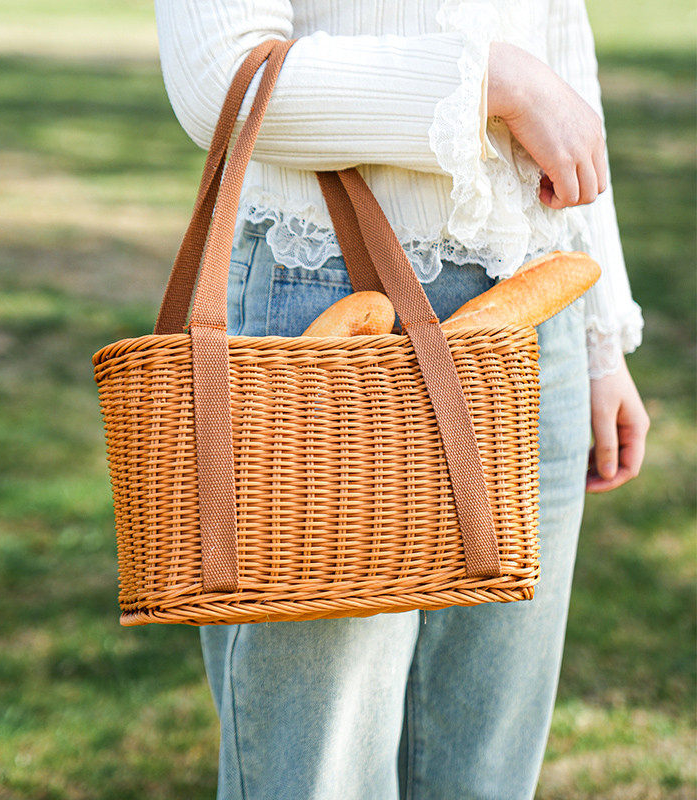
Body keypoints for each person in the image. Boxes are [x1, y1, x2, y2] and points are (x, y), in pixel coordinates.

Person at [154, 2, 651, 798]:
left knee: (484, 772)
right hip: (329, 311)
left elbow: (563, 57)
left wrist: (599, 339)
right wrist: (490, 79)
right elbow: (224, 81)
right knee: (317, 775)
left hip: (531, 308)